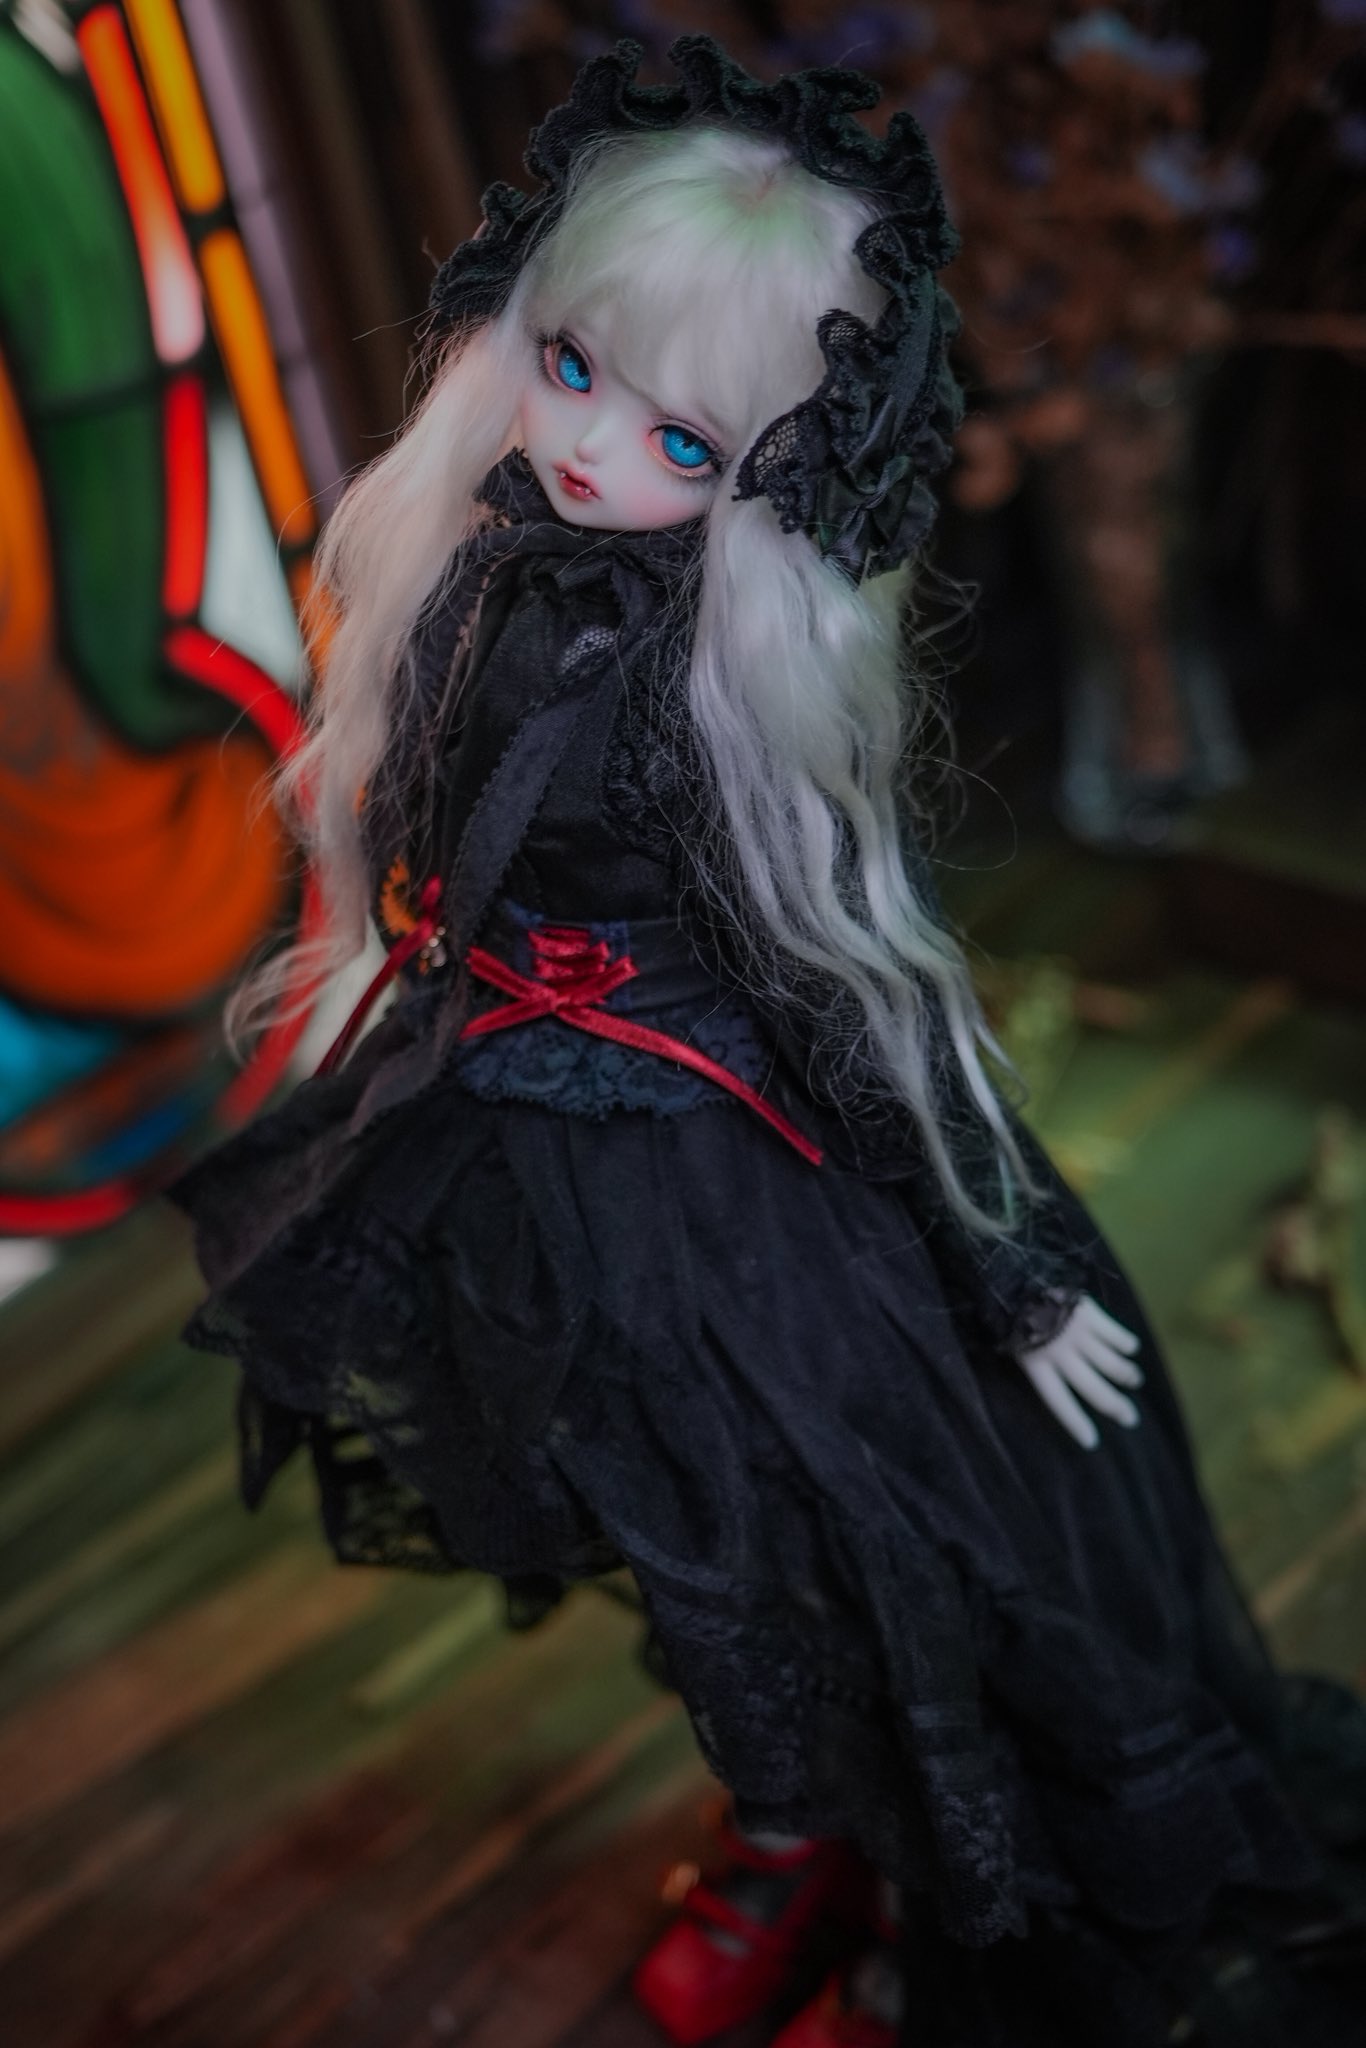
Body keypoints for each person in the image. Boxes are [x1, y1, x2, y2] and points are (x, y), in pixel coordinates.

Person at [171, 36, 1366, 2048]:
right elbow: (414, 836)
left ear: (777, 469)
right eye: (570, 366)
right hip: (524, 1155)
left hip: (745, 1192)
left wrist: (994, 1269)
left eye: (679, 434)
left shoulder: (712, 680)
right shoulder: (462, 562)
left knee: (854, 1564)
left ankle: (895, 1880)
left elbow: (837, 987)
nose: (588, 446)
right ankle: (787, 1823)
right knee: (687, 1549)